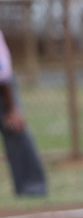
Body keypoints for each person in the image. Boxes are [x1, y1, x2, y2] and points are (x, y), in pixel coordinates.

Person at [0, 30, 47, 197]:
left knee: (15, 128)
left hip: (3, 87)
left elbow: (2, 74)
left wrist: (12, 108)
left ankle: (32, 187)